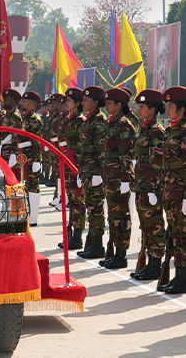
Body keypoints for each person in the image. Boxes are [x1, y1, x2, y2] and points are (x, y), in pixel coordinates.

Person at [157, 86, 186, 294]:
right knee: (175, 234)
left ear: (182, 109)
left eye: (171, 106)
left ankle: (185, 277)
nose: (168, 109)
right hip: (171, 190)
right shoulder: (172, 129)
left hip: (183, 192)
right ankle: (178, 274)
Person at [98, 88, 137, 269]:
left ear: (119, 105)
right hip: (110, 177)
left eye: (110, 103)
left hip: (119, 178)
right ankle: (114, 252)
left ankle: (121, 254)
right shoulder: (111, 123)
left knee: (121, 217)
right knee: (113, 216)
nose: (107, 106)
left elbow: (126, 155)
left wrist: (125, 179)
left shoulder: (124, 125)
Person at [130, 89, 167, 280]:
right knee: (146, 225)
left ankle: (155, 264)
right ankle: (150, 262)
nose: (139, 109)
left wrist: (152, 188)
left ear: (152, 110)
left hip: (150, 186)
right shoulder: (144, 128)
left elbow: (157, 161)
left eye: (142, 107)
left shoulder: (156, 132)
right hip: (142, 185)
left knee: (154, 225)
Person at [76, 86, 109, 259]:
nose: (83, 103)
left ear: (96, 102)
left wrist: (97, 173)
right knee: (91, 207)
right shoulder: (89, 120)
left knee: (96, 209)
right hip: (87, 170)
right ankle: (92, 243)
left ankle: (98, 245)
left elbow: (101, 149)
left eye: (86, 100)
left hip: (95, 172)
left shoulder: (99, 121)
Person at [58, 88, 87, 250]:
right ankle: (70, 236)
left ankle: (77, 237)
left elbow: (83, 147)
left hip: (77, 164)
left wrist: (80, 170)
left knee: (78, 201)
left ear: (77, 104)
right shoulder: (67, 119)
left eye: (69, 101)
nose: (66, 103)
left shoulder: (81, 121)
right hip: (69, 163)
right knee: (71, 200)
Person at [19, 91, 43, 226]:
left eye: (26, 101)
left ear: (32, 104)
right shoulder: (24, 117)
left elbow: (36, 141)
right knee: (25, 186)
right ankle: (27, 213)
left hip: (31, 157)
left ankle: (33, 217)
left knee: (33, 186)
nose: (23, 103)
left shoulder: (34, 119)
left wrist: (37, 160)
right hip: (23, 156)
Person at [0, 89, 22, 168]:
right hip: (4, 146)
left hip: (10, 149)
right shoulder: (7, 114)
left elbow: (15, 136)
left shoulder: (15, 116)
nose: (4, 102)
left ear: (12, 102)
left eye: (6, 100)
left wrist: (13, 153)